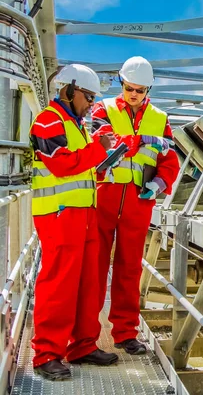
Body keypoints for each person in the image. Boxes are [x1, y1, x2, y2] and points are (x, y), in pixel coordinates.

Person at [29, 64, 119, 380]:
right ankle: (46, 355)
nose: (92, 104)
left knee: (88, 283)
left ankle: (82, 345)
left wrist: (102, 164)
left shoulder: (75, 124)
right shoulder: (48, 121)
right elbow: (62, 165)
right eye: (89, 96)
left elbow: (80, 168)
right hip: (59, 213)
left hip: (82, 213)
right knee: (59, 284)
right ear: (69, 89)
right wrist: (99, 149)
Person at [91, 56, 179, 355]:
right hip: (104, 198)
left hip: (138, 202)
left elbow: (170, 159)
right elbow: (105, 141)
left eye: (140, 90)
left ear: (148, 89)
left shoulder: (160, 117)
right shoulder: (102, 108)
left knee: (129, 269)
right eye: (130, 88)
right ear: (121, 83)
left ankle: (126, 332)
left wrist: (160, 184)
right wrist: (142, 139)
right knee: (95, 267)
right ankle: (87, 335)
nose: (134, 94)